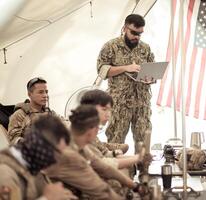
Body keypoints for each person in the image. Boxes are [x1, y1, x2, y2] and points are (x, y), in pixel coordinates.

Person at [45, 105, 142, 199]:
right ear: (92, 130)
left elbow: (105, 168)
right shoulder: (69, 154)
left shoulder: (79, 145)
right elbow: (99, 189)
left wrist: (135, 187)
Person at [97, 14, 155, 152]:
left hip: (142, 103)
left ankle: (144, 172)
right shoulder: (111, 46)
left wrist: (151, 78)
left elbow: (152, 69)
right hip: (119, 104)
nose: (137, 37)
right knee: (115, 142)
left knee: (143, 143)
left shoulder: (145, 48)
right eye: (134, 33)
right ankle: (115, 171)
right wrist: (125, 68)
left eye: (140, 34)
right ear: (124, 28)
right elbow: (102, 70)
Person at [0, 115, 76, 200]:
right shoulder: (5, 173)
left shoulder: (33, 164)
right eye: (56, 153)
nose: (56, 160)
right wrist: (47, 198)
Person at [80, 89, 152, 170]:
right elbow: (101, 164)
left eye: (110, 110)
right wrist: (137, 159)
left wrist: (138, 158)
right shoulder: (82, 134)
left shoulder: (90, 130)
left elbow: (105, 153)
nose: (108, 115)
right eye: (104, 109)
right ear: (88, 109)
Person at [7, 77, 54, 144]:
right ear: (29, 94)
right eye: (40, 92)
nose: (45, 95)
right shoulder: (20, 115)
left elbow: (66, 125)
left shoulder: (50, 113)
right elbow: (13, 139)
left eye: (46, 92)